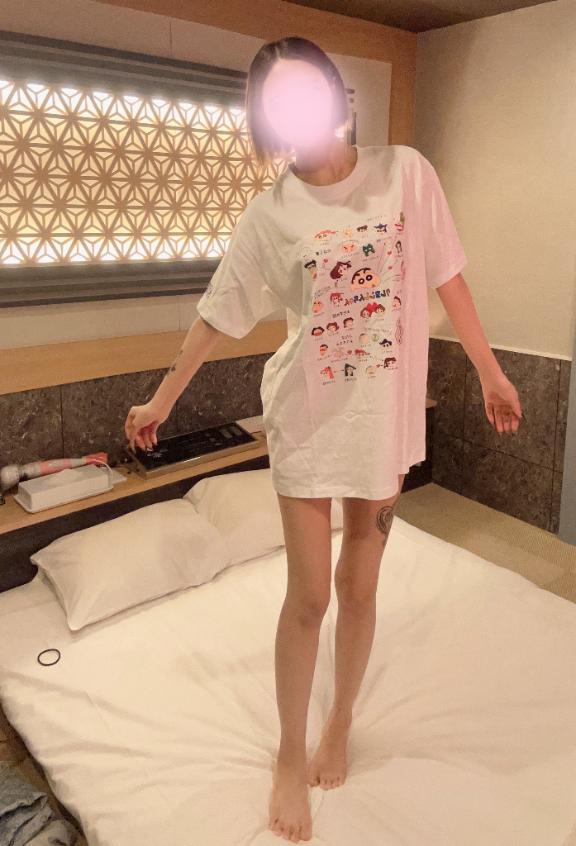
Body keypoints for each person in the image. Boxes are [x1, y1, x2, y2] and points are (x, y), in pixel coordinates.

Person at [124, 36, 523, 845]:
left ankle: (339, 723)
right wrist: (162, 396)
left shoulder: (405, 172)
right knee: (309, 597)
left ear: (337, 94)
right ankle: (287, 751)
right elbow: (218, 313)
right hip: (307, 421)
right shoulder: (270, 213)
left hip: (384, 421)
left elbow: (447, 274)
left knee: (361, 587)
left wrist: (489, 370)